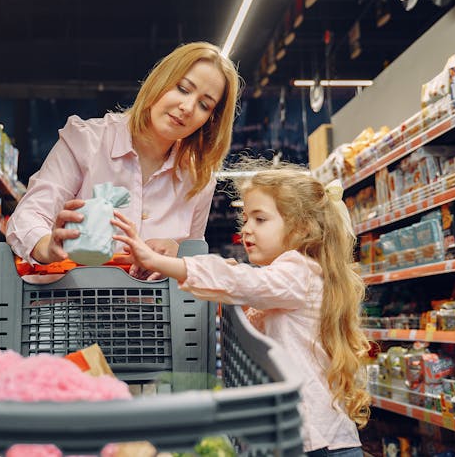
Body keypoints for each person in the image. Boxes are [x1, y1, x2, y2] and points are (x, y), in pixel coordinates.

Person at [111, 162, 371, 455]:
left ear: (302, 228)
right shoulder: (291, 277)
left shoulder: (298, 270)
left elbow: (239, 281)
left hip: (319, 442)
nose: (246, 229)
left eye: (260, 219)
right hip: (316, 436)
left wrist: (160, 262)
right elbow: (248, 283)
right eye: (245, 219)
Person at [6, 42, 241, 278]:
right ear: (160, 80)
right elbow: (27, 217)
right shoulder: (86, 141)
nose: (188, 107)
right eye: (182, 88)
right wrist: (48, 245)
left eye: (204, 105)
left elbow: (193, 257)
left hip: (156, 313)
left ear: (210, 120)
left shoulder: (199, 178)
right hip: (72, 306)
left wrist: (179, 256)